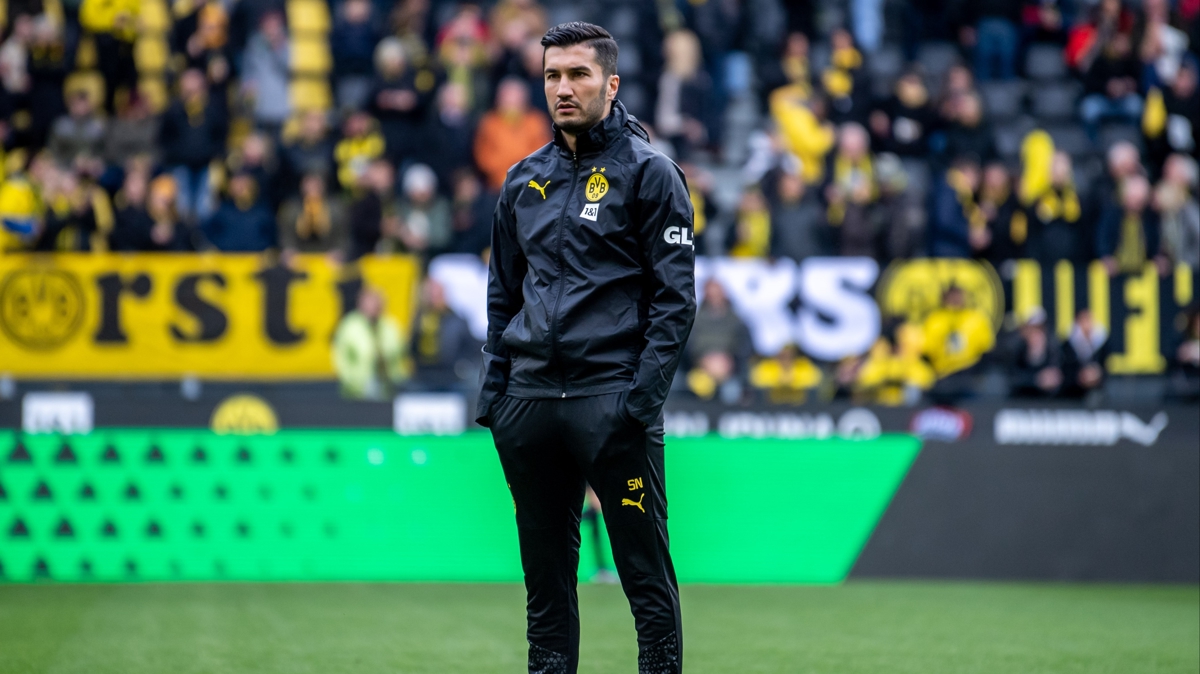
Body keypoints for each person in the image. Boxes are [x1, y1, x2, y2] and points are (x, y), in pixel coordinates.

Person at [476, 22, 695, 674]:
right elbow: (502, 296)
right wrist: (497, 399)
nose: (563, 88)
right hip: (530, 406)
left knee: (645, 580)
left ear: (611, 83)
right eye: (553, 75)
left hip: (612, 403)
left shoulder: (651, 174)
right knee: (544, 589)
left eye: (578, 74)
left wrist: (637, 404)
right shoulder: (522, 180)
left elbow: (676, 301)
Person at [472, 76, 551, 190]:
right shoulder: (489, 123)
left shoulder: (536, 122)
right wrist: (504, 170)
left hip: (530, 184)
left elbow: (542, 154)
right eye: (507, 99)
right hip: (496, 185)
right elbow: (483, 157)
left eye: (515, 99)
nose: (511, 104)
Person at [332, 286, 408, 400]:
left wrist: (398, 378)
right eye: (370, 303)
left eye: (377, 302)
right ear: (361, 304)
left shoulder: (390, 325)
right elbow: (341, 357)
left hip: (389, 387)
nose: (374, 306)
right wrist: (352, 381)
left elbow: (400, 353)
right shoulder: (350, 326)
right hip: (357, 391)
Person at [408, 278, 476, 391]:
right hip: (423, 376)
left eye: (437, 295)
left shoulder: (456, 320)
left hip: (450, 376)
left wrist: (460, 367)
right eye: (430, 295)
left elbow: (469, 348)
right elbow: (412, 347)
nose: (433, 299)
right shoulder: (419, 319)